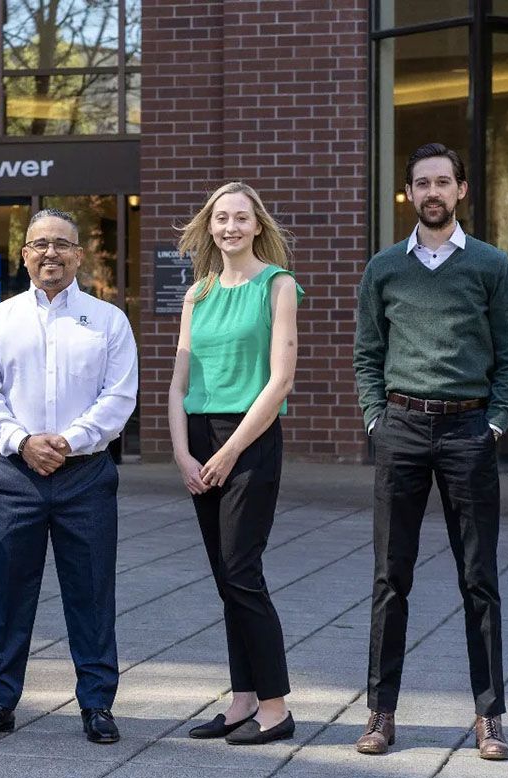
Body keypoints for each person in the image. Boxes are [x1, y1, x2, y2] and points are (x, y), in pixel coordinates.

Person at [353, 143, 508, 760]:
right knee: (389, 579)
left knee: (478, 579)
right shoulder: (384, 268)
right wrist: (376, 417)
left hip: (468, 433)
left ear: (460, 191)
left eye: (443, 182)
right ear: (409, 193)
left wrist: (497, 424)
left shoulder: (491, 265)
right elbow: (367, 355)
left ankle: (490, 717)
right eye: (421, 183)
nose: (432, 192)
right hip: (401, 428)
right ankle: (380, 713)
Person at [0, 208, 138, 743]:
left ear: (78, 255)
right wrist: (24, 441)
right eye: (39, 244)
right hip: (15, 476)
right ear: (24, 255)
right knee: (7, 593)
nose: (49, 254)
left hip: (86, 475)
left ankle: (96, 705)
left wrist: (70, 441)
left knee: (90, 593)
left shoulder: (109, 320)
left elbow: (120, 395)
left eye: (61, 244)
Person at [168, 182, 304, 745]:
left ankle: (274, 706)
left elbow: (280, 382)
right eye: (221, 218)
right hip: (198, 440)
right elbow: (178, 384)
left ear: (257, 226)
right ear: (209, 226)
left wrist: (227, 452)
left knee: (243, 572)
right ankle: (242, 698)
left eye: (240, 218)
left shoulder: (278, 286)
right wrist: (182, 453)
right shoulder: (197, 294)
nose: (230, 227)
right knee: (227, 576)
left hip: (249, 437)